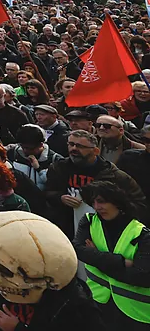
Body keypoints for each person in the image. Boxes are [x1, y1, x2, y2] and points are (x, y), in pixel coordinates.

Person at [74, 180, 150, 330]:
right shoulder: (89, 221)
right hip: (98, 302)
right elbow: (78, 249)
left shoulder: (141, 234)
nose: (97, 207)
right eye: (94, 202)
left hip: (135, 312)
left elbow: (143, 277)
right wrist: (122, 262)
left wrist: (96, 256)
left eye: (101, 202)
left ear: (116, 202)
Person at [45, 130, 147, 236]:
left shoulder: (114, 175)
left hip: (104, 231)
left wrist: (113, 210)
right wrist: (60, 197)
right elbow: (48, 192)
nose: (74, 149)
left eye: (80, 146)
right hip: (66, 227)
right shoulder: (58, 168)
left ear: (96, 151)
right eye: (71, 144)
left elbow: (138, 203)